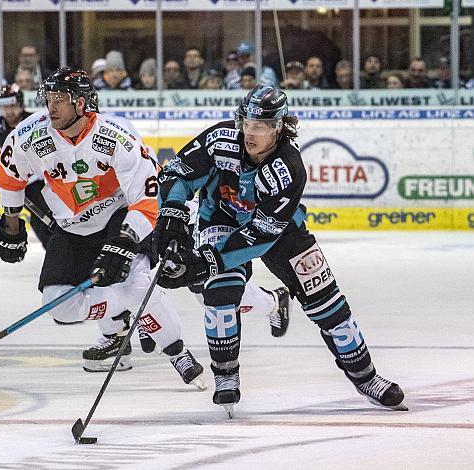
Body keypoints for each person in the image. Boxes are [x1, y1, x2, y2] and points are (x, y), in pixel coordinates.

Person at [152, 84, 407, 415]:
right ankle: (226, 377)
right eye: (246, 122)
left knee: (326, 302)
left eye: (259, 126)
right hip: (222, 218)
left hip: (281, 231)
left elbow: (262, 233)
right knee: (219, 292)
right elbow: (178, 175)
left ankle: (366, 377)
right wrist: (171, 214)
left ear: (279, 127)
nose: (249, 132)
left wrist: (208, 261)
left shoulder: (289, 167)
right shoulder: (220, 139)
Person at [0, 67, 205, 388]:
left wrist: (126, 240)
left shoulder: (116, 136)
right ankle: (125, 313)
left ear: (81, 103)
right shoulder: (31, 133)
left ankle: (177, 351)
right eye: (48, 99)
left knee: (135, 281)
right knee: (59, 306)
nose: (51, 107)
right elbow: (10, 171)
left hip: (119, 216)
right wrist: (11, 224)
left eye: (60, 100)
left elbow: (147, 198)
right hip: (72, 226)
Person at [0, 84, 53, 248]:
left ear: (21, 104)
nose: (8, 111)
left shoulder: (37, 121)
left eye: (12, 106)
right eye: (4, 107)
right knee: (42, 223)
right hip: (21, 184)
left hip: (45, 180)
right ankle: (55, 252)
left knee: (49, 219)